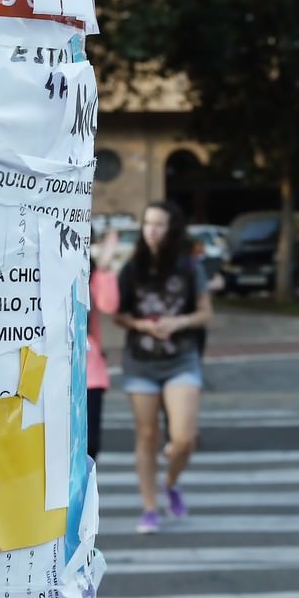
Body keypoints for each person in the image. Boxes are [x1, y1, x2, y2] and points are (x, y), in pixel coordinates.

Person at [112, 200, 216, 534]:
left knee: (183, 437)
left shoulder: (188, 266)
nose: (152, 230)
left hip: (181, 358)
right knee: (147, 436)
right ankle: (149, 507)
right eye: (147, 224)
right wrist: (142, 326)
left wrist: (177, 322)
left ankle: (171, 482)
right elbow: (119, 314)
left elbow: (205, 313)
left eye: (159, 224)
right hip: (141, 362)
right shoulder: (132, 268)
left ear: (171, 229)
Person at [85, 229, 122, 462]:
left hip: (89, 372)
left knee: (90, 446)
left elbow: (109, 305)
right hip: (46, 370)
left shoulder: (91, 274)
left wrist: (105, 267)